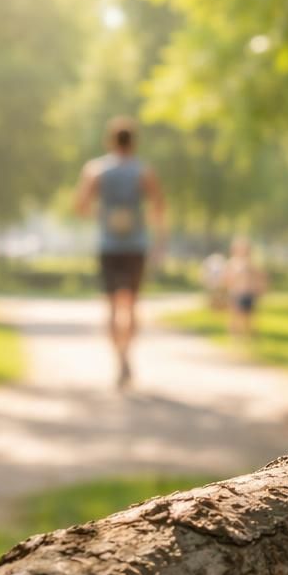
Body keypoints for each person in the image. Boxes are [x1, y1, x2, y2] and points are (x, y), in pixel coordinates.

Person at [74, 117, 166, 389]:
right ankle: (128, 355)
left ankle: (119, 359)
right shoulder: (143, 171)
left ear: (110, 141)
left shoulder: (96, 170)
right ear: (134, 142)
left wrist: (103, 215)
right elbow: (159, 206)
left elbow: (80, 206)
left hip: (109, 245)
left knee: (113, 306)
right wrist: (158, 239)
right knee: (133, 304)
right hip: (136, 245)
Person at [224, 236, 267, 339]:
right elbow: (227, 278)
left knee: (249, 315)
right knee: (235, 314)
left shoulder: (251, 263)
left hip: (249, 292)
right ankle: (235, 336)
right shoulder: (233, 262)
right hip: (236, 292)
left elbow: (259, 277)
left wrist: (260, 288)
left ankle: (248, 335)